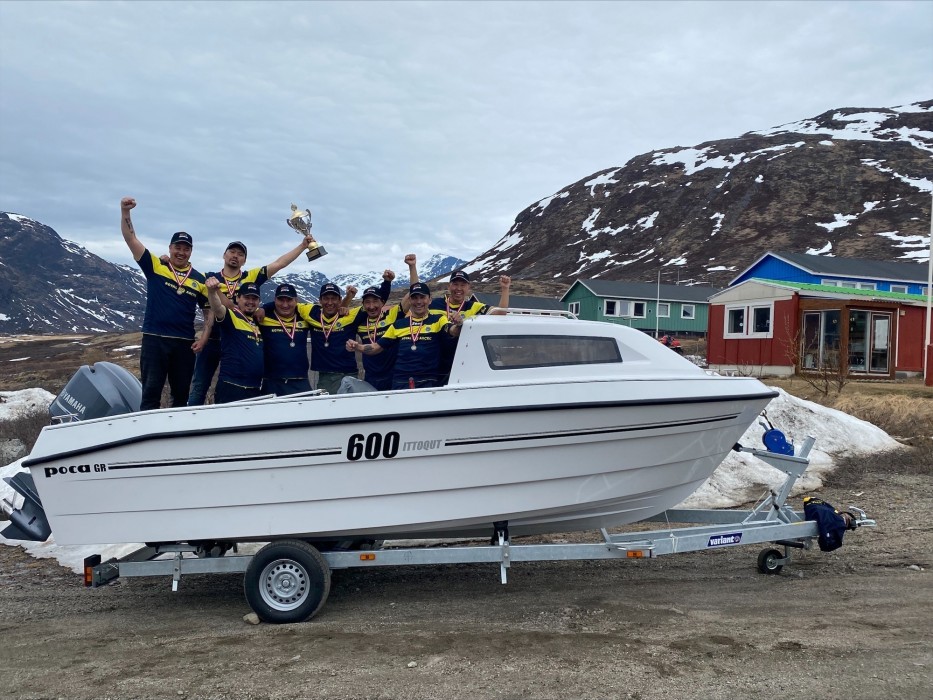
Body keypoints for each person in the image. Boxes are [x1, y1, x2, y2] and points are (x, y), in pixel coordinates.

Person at [187, 235, 316, 405]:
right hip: (213, 341)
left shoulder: (251, 277)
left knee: (245, 382)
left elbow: (279, 264)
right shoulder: (209, 278)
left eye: (240, 254)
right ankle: (190, 420)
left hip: (238, 342)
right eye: (232, 252)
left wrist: (302, 246)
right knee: (199, 386)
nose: (235, 256)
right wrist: (167, 261)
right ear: (224, 255)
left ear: (244, 260)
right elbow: (186, 280)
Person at [120, 196, 210, 411]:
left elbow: (209, 313)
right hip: (155, 340)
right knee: (150, 395)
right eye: (177, 247)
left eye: (186, 249)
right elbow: (131, 239)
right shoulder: (156, 266)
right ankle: (147, 430)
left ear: (191, 251)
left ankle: (177, 432)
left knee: (180, 398)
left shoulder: (200, 279)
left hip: (184, 344)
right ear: (170, 248)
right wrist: (125, 212)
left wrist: (204, 339)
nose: (181, 252)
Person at [404, 254, 511, 382]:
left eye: (463, 285)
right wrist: (412, 267)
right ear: (449, 286)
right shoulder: (434, 304)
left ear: (468, 287)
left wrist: (505, 289)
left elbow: (500, 314)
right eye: (455, 284)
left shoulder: (474, 306)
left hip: (462, 361)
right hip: (433, 360)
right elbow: (416, 294)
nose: (458, 289)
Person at [346, 282, 462, 390]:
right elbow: (377, 347)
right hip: (400, 382)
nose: (418, 302)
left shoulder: (438, 320)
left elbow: (452, 331)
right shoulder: (398, 325)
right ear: (410, 300)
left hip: (428, 381)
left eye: (422, 297)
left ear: (430, 300)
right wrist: (357, 347)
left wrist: (458, 324)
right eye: (415, 298)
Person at [300, 275, 392, 394]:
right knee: (328, 405)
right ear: (320, 300)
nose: (329, 302)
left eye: (334, 299)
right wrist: (347, 300)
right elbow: (284, 305)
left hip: (350, 373)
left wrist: (387, 282)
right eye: (326, 298)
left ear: (339, 300)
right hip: (326, 376)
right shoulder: (311, 313)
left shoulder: (351, 315)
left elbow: (377, 301)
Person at [205, 279, 264, 403]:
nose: (250, 302)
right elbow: (217, 308)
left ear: (259, 301)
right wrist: (212, 292)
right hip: (231, 386)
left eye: (254, 299)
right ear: (237, 298)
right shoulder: (231, 316)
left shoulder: (257, 322)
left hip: (254, 388)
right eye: (247, 298)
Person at [257, 283, 313, 396]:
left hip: (300, 380)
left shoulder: (304, 317)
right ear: (275, 300)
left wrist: (344, 307)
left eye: (289, 300)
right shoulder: (263, 317)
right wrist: (264, 308)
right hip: (271, 381)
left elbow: (328, 313)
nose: (285, 304)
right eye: (281, 300)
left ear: (296, 301)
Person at [348, 284, 403, 391]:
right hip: (371, 379)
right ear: (363, 305)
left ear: (382, 302)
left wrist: (412, 270)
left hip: (394, 377)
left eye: (375, 301)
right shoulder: (359, 323)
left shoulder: (392, 315)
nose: (371, 306)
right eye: (367, 302)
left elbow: (411, 296)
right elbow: (337, 314)